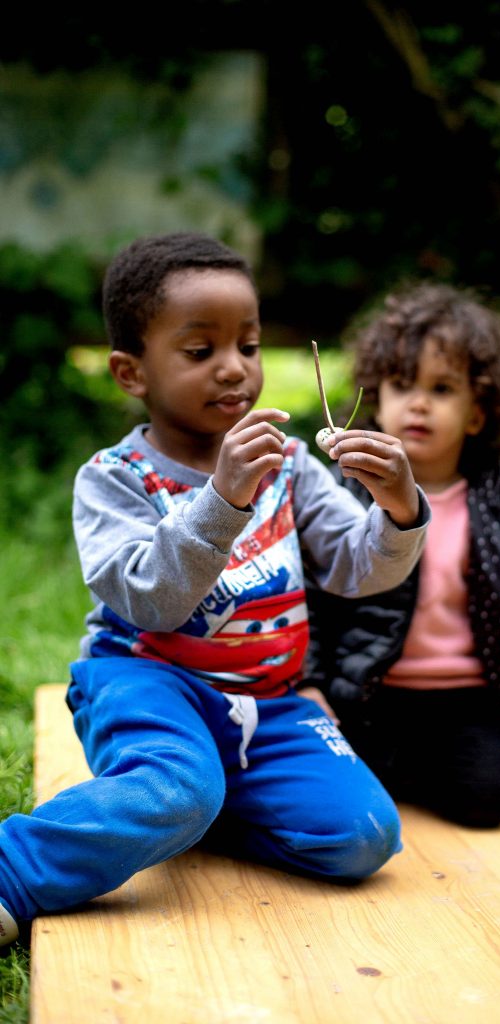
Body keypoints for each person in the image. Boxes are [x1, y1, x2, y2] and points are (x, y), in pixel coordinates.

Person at [0, 232, 431, 948]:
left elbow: (360, 569)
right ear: (130, 372)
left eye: (249, 345)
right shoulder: (113, 479)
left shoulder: (291, 465)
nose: (234, 367)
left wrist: (399, 508)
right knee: (177, 787)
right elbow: (152, 602)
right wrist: (223, 500)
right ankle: (14, 872)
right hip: (148, 684)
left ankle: (195, 814)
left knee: (363, 836)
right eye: (201, 351)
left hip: (269, 700)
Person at [301, 281, 500, 829]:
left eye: (442, 388)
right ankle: (390, 770)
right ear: (376, 401)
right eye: (402, 384)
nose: (419, 402)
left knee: (494, 797)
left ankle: (407, 771)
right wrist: (309, 683)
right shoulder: (344, 495)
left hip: (468, 701)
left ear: (477, 414)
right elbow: (310, 597)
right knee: (328, 796)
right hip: (364, 696)